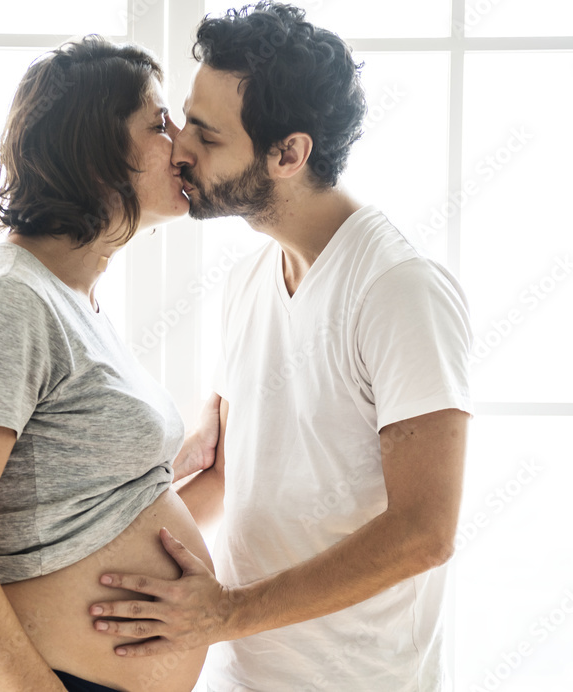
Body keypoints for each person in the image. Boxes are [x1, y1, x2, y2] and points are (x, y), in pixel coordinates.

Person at [88, 4, 473, 691]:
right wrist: (85, 568)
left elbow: (425, 531)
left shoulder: (399, 289)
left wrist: (227, 614)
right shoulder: (249, 279)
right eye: (185, 121)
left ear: (289, 154)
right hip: (240, 675)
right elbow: (225, 475)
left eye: (207, 135)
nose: (180, 149)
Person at [0, 36, 221, 692]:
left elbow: (84, 518)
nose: (183, 144)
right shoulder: (10, 299)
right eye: (159, 124)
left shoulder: (76, 303)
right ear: (94, 151)